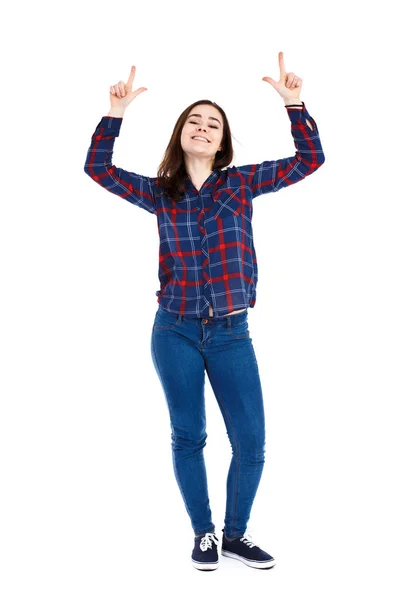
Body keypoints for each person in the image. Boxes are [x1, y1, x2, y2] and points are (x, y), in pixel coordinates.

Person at [84, 52, 325, 571]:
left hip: (232, 333)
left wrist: (294, 104)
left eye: (212, 123)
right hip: (174, 331)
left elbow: (309, 161)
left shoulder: (240, 184)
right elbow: (97, 169)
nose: (203, 127)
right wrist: (115, 115)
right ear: (181, 134)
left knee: (252, 442)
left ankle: (235, 535)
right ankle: (204, 535)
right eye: (194, 120)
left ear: (222, 141)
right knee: (189, 434)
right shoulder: (160, 193)